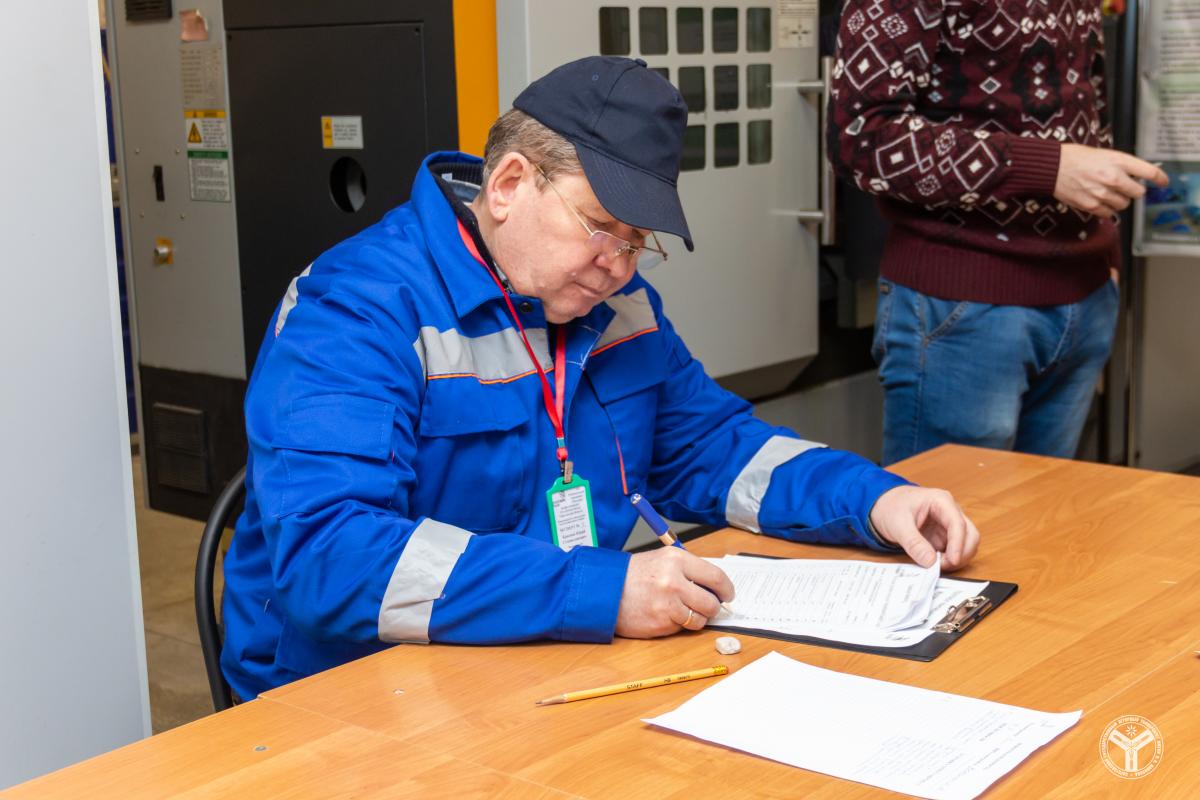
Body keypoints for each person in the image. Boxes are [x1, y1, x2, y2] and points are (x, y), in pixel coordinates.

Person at [221, 56, 980, 700]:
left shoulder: (614, 303)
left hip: (545, 655)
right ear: (511, 183)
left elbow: (715, 450)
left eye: (636, 243)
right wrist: (602, 592)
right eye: (599, 229)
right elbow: (331, 558)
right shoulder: (355, 309)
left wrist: (873, 498)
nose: (617, 267)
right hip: (355, 690)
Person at [828, 0, 1168, 466]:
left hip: (1084, 297)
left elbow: (1085, 104)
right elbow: (861, 140)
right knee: (947, 529)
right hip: (964, 308)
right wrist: (1046, 169)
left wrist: (1105, 250)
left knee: (1043, 527)